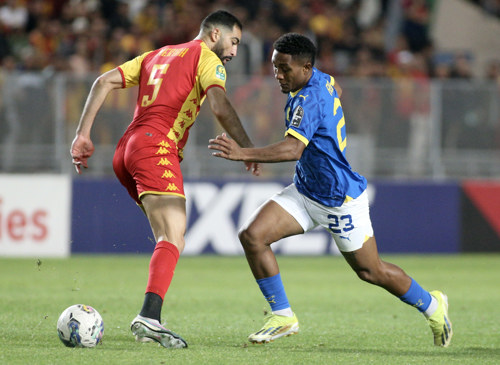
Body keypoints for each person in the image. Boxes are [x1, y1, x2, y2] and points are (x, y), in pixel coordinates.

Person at [208, 33, 452, 347]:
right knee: (252, 235)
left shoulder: (309, 97)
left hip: (339, 198)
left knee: (370, 271)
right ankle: (282, 315)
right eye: (275, 68)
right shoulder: (318, 80)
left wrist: (244, 152)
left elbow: (293, 148)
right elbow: (331, 89)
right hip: (306, 190)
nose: (278, 75)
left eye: (285, 69)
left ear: (306, 67)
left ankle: (433, 307)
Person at [70, 10, 260, 349]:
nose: (233, 51)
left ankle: (151, 313)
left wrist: (82, 134)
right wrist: (248, 149)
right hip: (156, 146)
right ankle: (149, 318)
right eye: (233, 42)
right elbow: (218, 105)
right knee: (173, 234)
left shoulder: (158, 54)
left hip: (126, 150)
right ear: (214, 33)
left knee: (171, 237)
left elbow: (103, 82)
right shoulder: (206, 57)